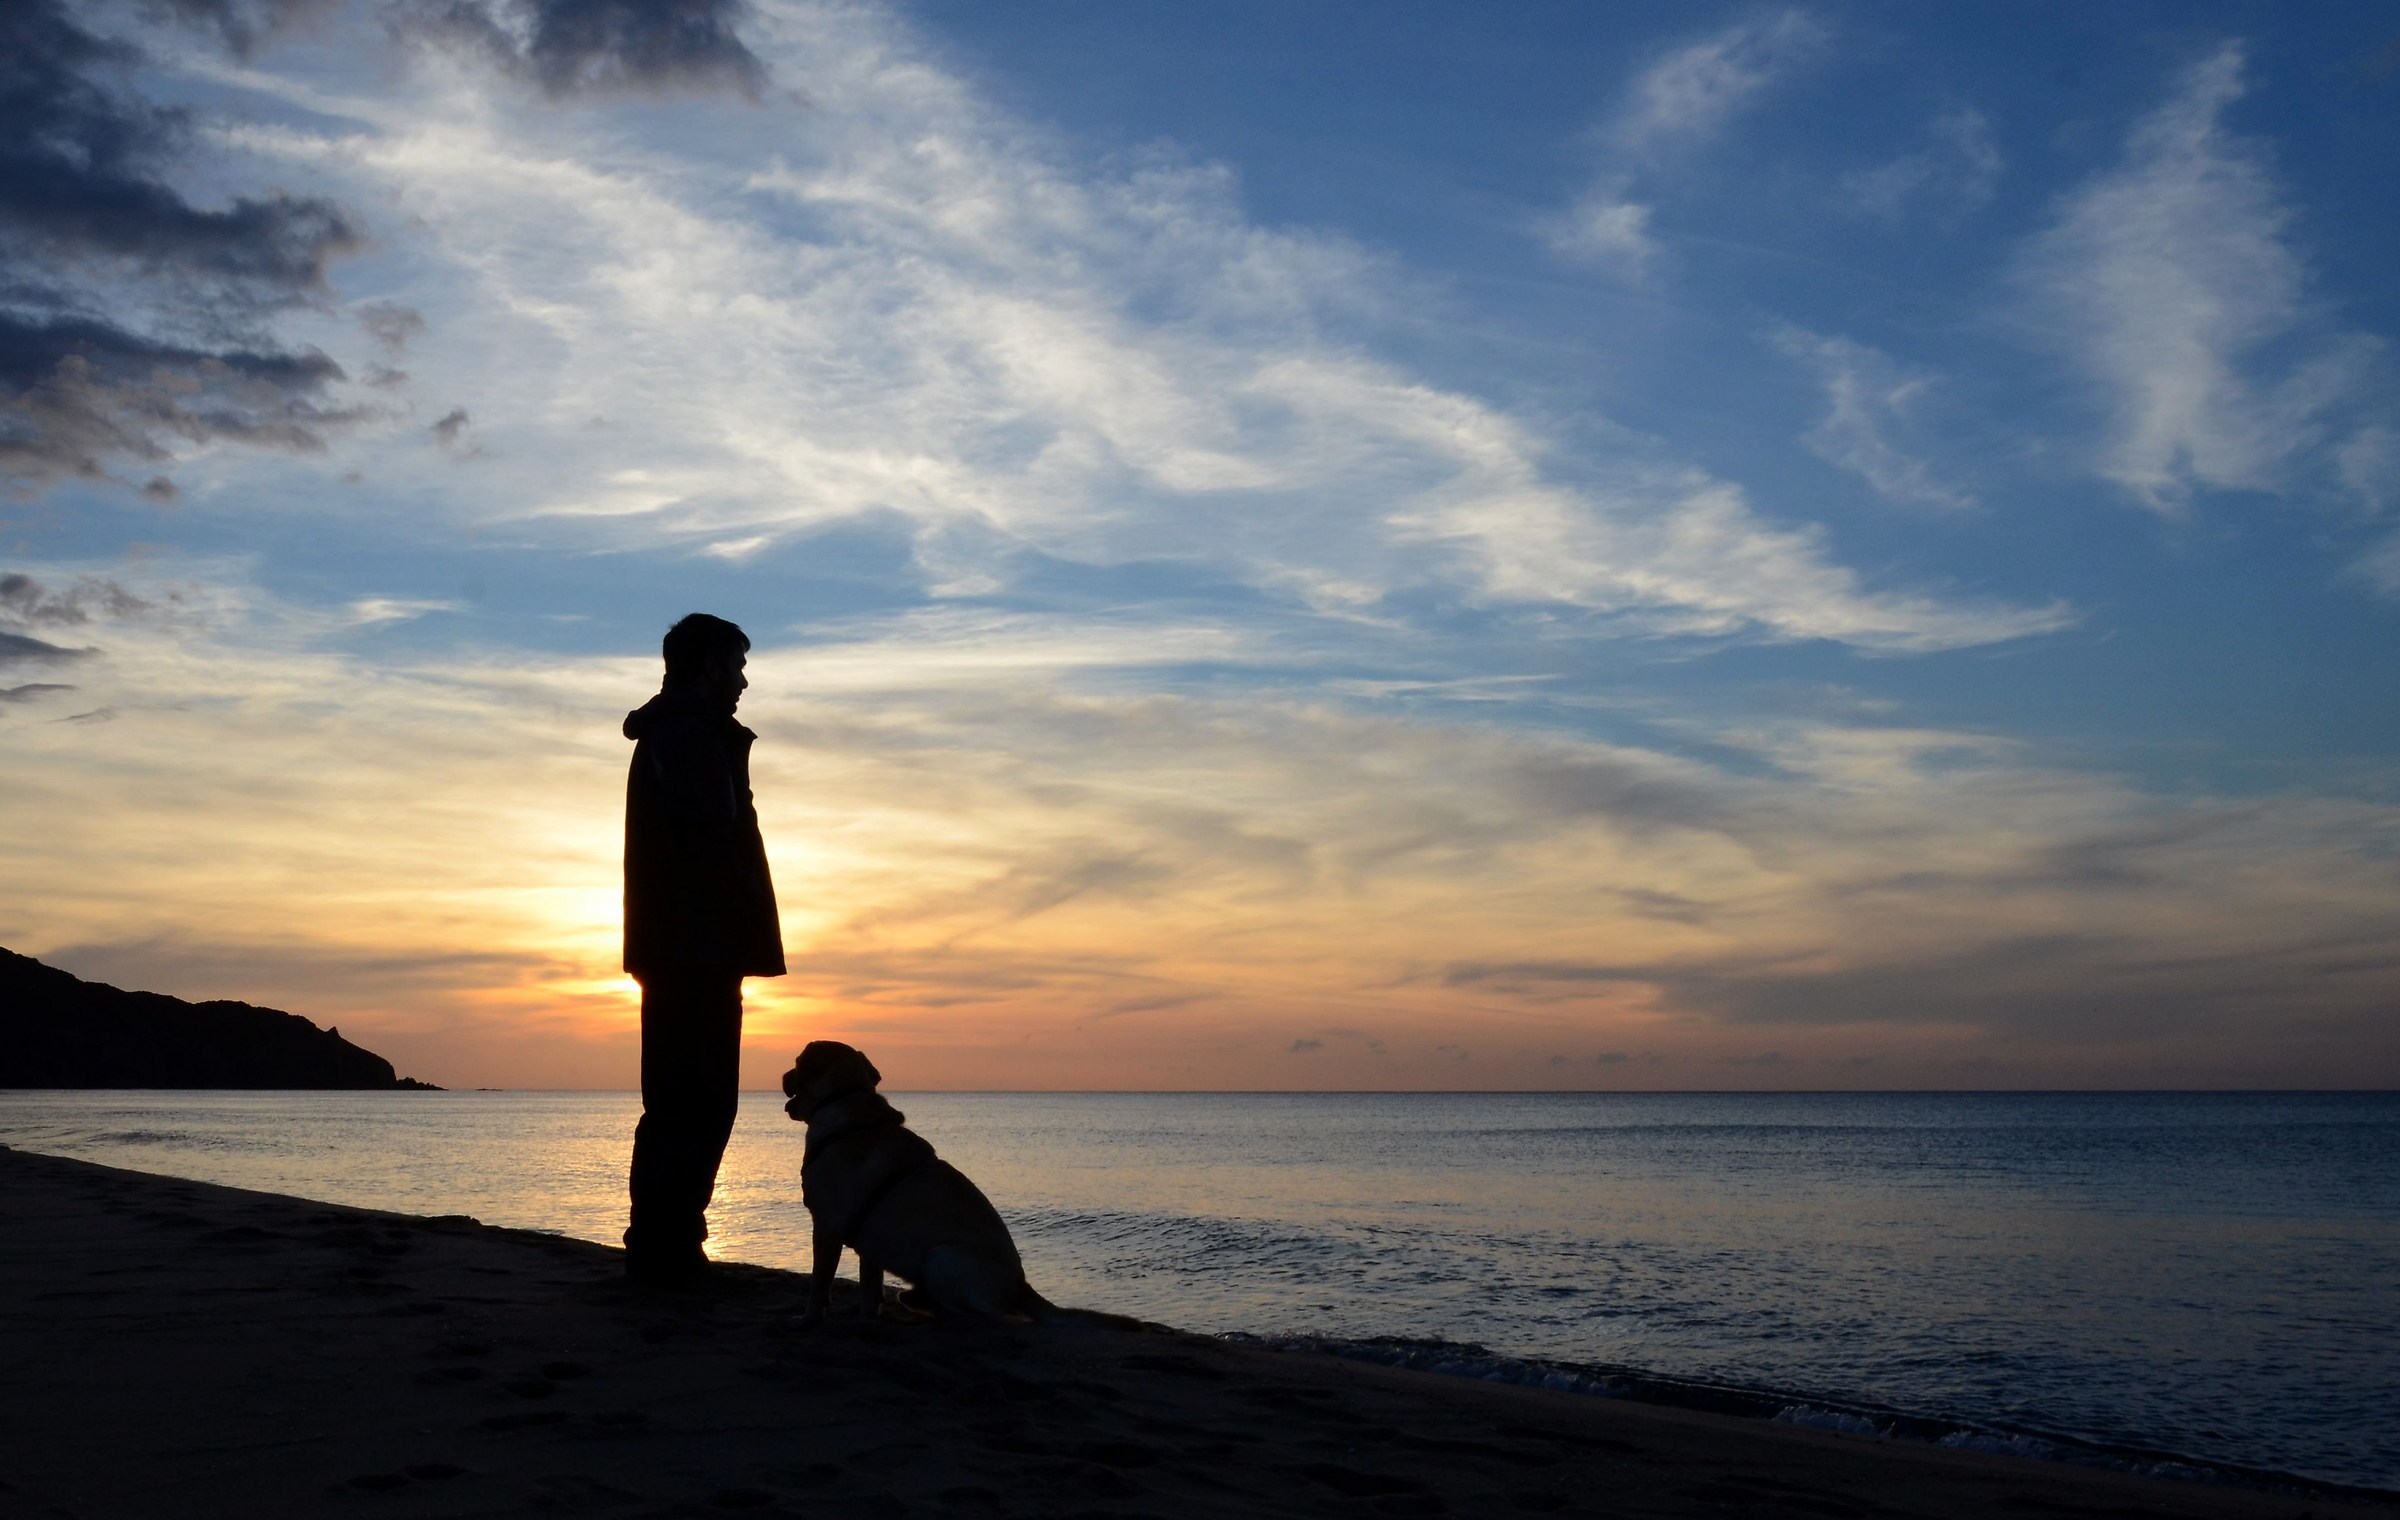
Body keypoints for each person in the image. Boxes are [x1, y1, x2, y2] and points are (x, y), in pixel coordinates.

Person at [621, 612, 785, 1286]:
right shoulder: (687, 734)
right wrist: (732, 924)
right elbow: (710, 842)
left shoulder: (685, 732)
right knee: (699, 1099)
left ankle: (664, 1245)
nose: (744, 679)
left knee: (681, 1099)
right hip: (695, 948)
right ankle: (669, 1249)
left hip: (686, 946)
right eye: (737, 664)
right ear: (708, 665)